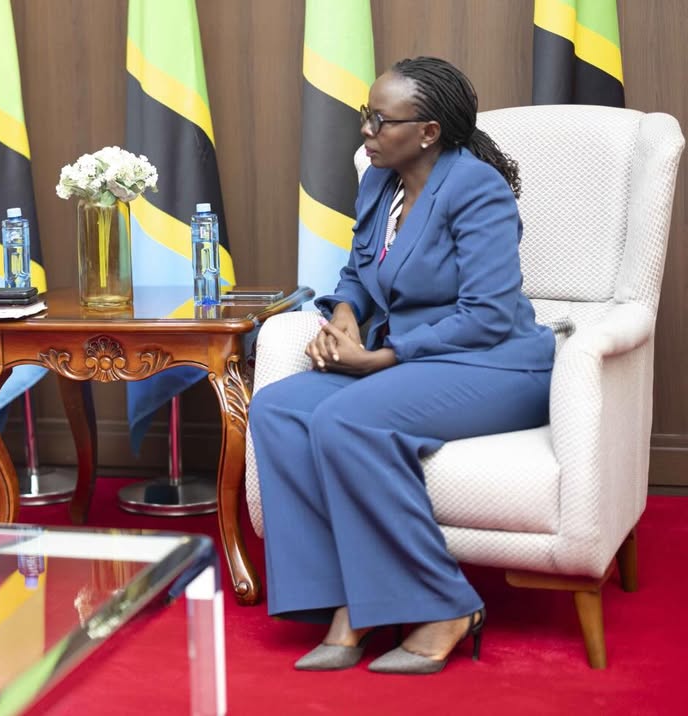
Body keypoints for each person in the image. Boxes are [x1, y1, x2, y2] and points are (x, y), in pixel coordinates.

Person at [248, 56, 554, 675]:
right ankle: (349, 602)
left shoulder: (476, 190)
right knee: (277, 409)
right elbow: (359, 273)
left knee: (347, 419)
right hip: (412, 363)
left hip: (495, 366)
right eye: (366, 115)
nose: (366, 130)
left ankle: (445, 605)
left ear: (428, 132)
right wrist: (343, 317)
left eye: (380, 120)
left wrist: (379, 358)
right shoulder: (378, 182)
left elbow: (488, 315)